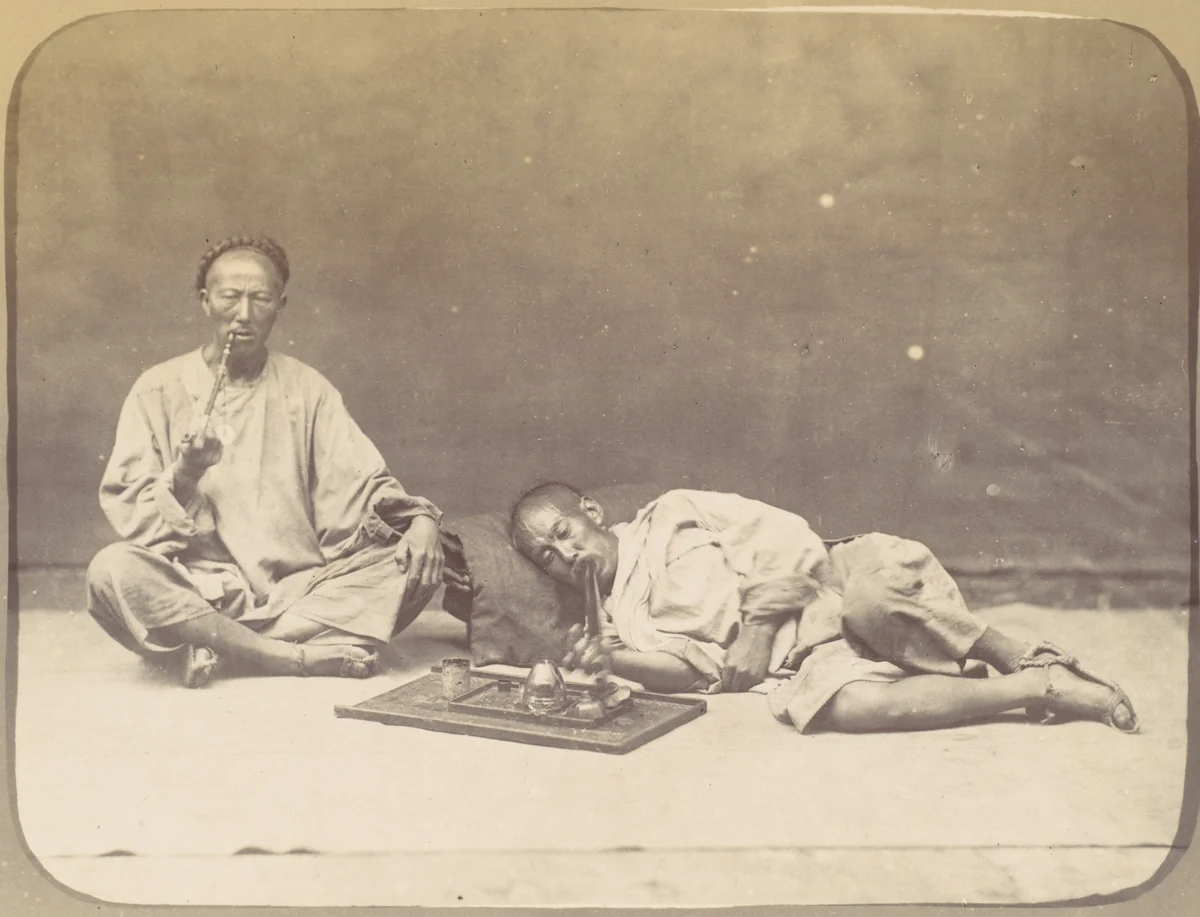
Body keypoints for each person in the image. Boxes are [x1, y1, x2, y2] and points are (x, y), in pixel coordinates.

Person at [88, 235, 460, 687]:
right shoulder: (156, 389)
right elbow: (135, 513)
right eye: (230, 297)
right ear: (205, 301)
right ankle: (287, 655)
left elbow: (364, 484)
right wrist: (186, 472)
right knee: (112, 571)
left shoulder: (309, 390)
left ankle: (214, 644)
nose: (243, 314)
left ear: (280, 305)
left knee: (411, 563)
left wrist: (421, 520)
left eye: (260, 298)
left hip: (298, 590)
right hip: (198, 587)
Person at [510, 483, 1139, 734]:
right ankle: (1036, 687)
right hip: (809, 651)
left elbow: (791, 537)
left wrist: (758, 629)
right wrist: (616, 659)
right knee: (845, 708)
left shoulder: (674, 512)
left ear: (591, 512)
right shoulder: (618, 619)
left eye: (563, 533)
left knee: (869, 603)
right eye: (547, 558)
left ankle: (1013, 652)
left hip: (840, 579)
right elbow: (700, 671)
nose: (564, 555)